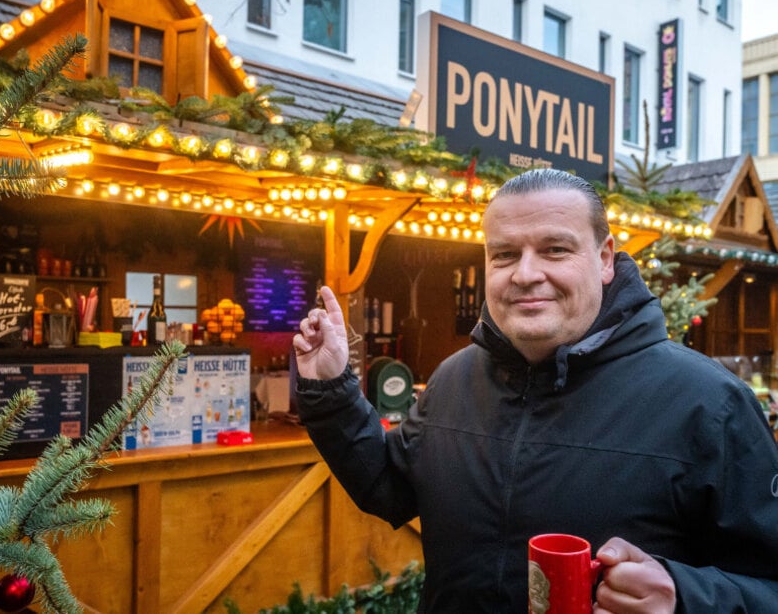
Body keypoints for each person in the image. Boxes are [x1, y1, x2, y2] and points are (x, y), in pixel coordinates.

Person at [293, 168, 778, 612]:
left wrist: (683, 597)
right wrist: (331, 391)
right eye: (504, 254)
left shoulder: (710, 403)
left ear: (604, 258)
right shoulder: (454, 379)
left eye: (555, 249)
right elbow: (390, 488)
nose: (525, 274)